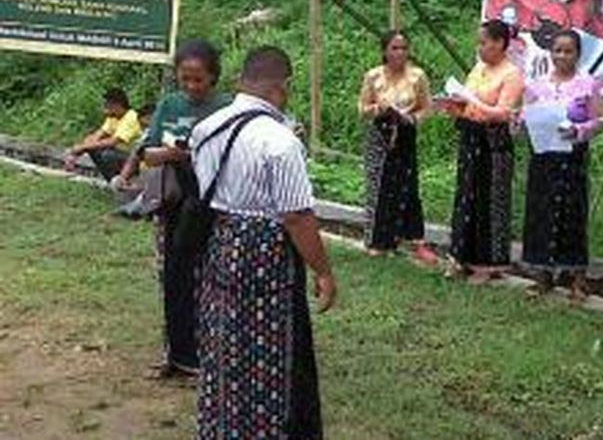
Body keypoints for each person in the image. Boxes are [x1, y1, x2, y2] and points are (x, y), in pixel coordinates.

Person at [191, 46, 337, 439]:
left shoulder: (206, 129)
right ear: (283, 87)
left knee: (224, 341)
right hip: (265, 253)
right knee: (270, 345)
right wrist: (323, 270)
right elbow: (296, 216)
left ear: (242, 81)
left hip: (220, 244)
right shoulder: (280, 141)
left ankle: (223, 425)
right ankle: (267, 427)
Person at [142, 40, 233, 379]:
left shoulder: (229, 106)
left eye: (199, 80)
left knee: (211, 279)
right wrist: (172, 154)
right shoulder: (169, 105)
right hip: (176, 202)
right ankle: (178, 354)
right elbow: (147, 153)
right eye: (186, 79)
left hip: (216, 203)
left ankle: (212, 353)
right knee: (173, 277)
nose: (193, 87)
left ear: (213, 77)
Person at [521, 30, 603, 302]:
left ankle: (577, 278)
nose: (561, 56)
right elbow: (525, 117)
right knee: (541, 212)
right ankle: (543, 273)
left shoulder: (588, 85)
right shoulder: (536, 85)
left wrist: (579, 131)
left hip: (572, 158)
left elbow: (600, 122)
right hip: (543, 158)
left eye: (568, 51)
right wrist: (519, 123)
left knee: (573, 213)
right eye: (557, 50)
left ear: (578, 54)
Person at [440, 20, 524, 284]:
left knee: (490, 201)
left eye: (484, 42)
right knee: (466, 196)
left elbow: (503, 112)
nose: (480, 48)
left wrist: (473, 102)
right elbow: (467, 100)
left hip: (494, 145)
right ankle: (461, 256)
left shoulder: (511, 74)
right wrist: (455, 105)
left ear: (499, 43)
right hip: (471, 138)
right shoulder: (478, 67)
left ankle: (488, 264)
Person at [358, 30, 439, 265]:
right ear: (385, 50)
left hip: (405, 134)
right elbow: (362, 108)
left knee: (408, 186)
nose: (400, 53)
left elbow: (427, 107)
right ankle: (379, 240)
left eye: (404, 48)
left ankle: (415, 239)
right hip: (379, 136)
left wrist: (413, 119)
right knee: (379, 186)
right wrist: (378, 109)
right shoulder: (373, 76)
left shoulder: (417, 76)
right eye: (394, 48)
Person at [65, 88, 142, 181]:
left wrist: (82, 147)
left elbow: (113, 142)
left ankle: (124, 180)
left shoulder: (131, 117)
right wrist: (76, 153)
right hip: (121, 155)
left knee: (107, 154)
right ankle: (112, 181)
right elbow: (96, 136)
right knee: (94, 149)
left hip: (135, 160)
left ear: (117, 105)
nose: (104, 108)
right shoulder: (113, 117)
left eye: (107, 105)